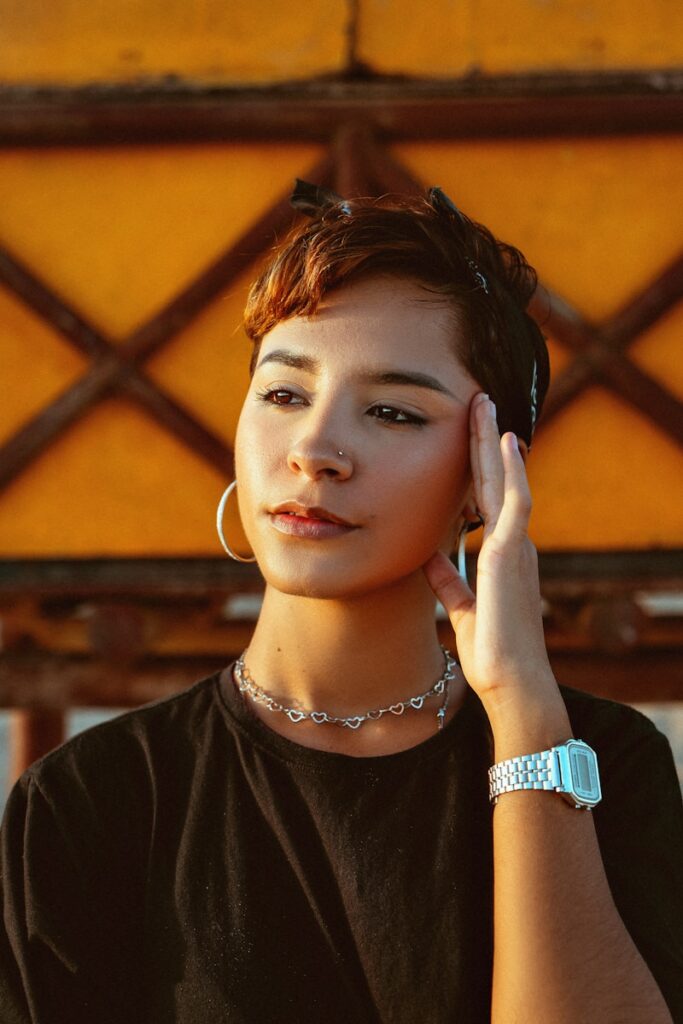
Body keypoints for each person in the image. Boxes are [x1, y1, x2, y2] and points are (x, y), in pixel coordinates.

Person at [0, 180, 681, 1024]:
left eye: (392, 412)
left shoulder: (603, 763)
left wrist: (524, 714)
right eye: (284, 394)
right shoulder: (92, 801)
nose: (316, 449)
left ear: (486, 475)